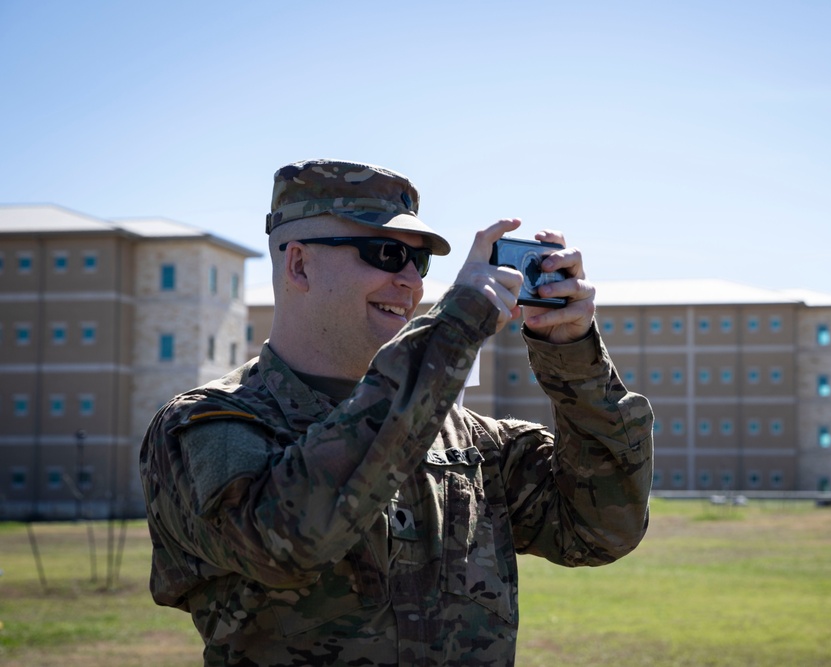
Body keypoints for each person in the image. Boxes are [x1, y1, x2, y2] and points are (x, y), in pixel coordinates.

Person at [140, 159, 654, 666]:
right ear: (299, 264)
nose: (412, 282)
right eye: (385, 253)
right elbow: (286, 543)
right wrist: (453, 329)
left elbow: (600, 528)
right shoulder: (206, 426)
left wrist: (573, 356)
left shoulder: (467, 441)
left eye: (420, 262)